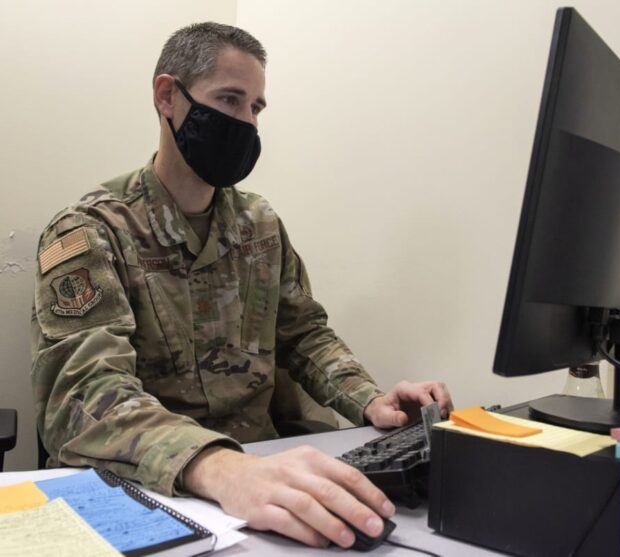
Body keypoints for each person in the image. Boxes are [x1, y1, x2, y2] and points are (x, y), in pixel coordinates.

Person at [30, 22, 453, 548]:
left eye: (256, 108)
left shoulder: (259, 224)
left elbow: (304, 333)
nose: (247, 123)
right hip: (151, 486)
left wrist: (371, 401)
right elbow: (84, 396)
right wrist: (220, 468)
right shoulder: (91, 232)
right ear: (167, 97)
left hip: (262, 474)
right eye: (229, 100)